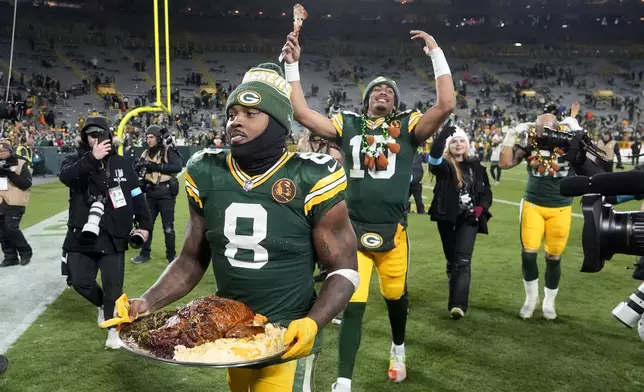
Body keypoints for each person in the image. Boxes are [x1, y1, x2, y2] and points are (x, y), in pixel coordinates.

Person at [123, 63, 359, 392]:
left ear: (277, 122)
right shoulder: (207, 171)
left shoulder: (312, 175)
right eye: (233, 112)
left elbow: (344, 270)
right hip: (228, 332)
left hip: (287, 335)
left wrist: (312, 323)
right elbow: (191, 259)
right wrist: (146, 302)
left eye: (251, 113)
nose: (236, 120)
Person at [282, 29, 455, 389]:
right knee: (354, 305)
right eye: (377, 88)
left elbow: (446, 106)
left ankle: (398, 347)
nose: (384, 91)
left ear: (395, 102)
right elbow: (301, 111)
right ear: (366, 99)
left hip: (394, 230)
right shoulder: (347, 125)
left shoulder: (408, 126)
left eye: (390, 90)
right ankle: (343, 380)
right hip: (352, 231)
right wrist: (293, 66)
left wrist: (436, 54)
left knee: (395, 299)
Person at [59, 116, 152, 348]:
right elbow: (66, 177)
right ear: (85, 138)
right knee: (79, 281)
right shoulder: (75, 160)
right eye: (91, 135)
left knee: (113, 285)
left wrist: (145, 224)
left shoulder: (121, 163)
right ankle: (103, 305)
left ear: (109, 136)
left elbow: (135, 194)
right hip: (83, 233)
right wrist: (92, 157)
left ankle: (114, 330)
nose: (96, 139)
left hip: (114, 234)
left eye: (100, 134)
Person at [499, 113, 582, 320]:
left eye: (547, 130)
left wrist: (578, 129)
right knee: (528, 253)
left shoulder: (571, 145)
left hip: (560, 207)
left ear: (558, 128)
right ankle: (531, 298)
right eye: (539, 129)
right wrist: (511, 136)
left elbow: (596, 162)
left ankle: (549, 301)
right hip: (533, 205)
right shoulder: (530, 145)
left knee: (553, 257)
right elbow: (505, 163)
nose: (543, 134)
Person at [428, 122, 492, 319]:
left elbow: (487, 193)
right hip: (447, 217)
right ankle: (455, 289)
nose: (458, 144)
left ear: (467, 144)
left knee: (463, 261)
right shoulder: (444, 166)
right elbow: (434, 159)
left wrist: (480, 208)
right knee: (452, 260)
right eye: (454, 141)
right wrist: (440, 138)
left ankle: (458, 305)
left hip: (469, 218)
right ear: (449, 146)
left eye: (461, 140)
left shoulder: (477, 168)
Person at [131, 125, 182, 264]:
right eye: (147, 137)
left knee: (168, 227)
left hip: (166, 193)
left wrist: (156, 167)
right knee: (146, 225)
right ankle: (144, 254)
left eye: (151, 137)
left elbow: (178, 166)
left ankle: (171, 257)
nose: (148, 140)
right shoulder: (145, 154)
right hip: (150, 193)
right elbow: (140, 175)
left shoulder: (168, 150)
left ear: (158, 138)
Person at [0, 140, 33, 267]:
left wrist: (9, 174)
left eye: (5, 150)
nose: (2, 153)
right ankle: (10, 257)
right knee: (2, 232)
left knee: (11, 228)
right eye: (0, 151)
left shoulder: (20, 163)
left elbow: (26, 184)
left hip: (15, 202)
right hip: (0, 202)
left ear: (10, 151)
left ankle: (25, 252)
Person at [408, 147, 425, 214]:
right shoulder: (414, 157)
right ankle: (407, 210)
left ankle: (421, 211)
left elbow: (419, 171)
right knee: (405, 199)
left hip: (416, 183)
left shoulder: (417, 158)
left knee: (418, 199)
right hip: (410, 183)